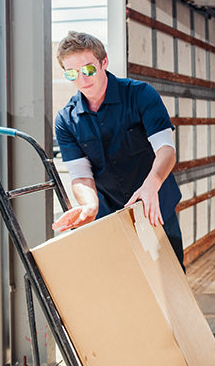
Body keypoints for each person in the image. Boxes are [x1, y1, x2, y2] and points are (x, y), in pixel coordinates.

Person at [53, 31, 184, 267]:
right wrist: (89, 205)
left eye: (88, 69)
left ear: (104, 62)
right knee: (124, 282)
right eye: (72, 73)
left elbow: (166, 149)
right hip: (110, 214)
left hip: (155, 204)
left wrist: (151, 185)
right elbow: (81, 175)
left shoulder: (140, 94)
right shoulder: (65, 119)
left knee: (171, 278)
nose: (82, 79)